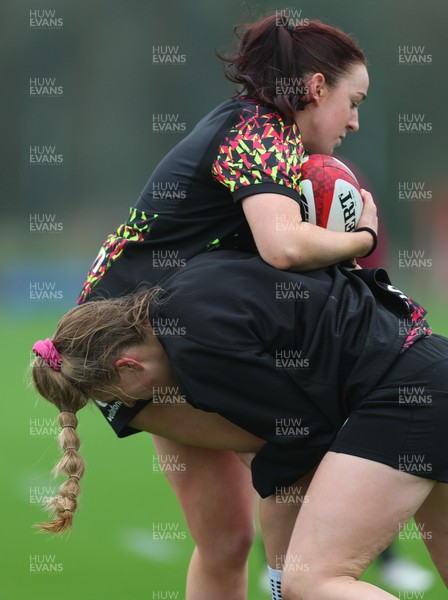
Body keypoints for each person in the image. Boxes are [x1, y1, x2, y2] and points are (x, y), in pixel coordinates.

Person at [71, 13, 377, 599]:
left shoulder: (254, 126)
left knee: (227, 541)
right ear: (315, 89)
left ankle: (297, 582)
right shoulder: (259, 129)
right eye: (353, 101)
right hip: (135, 343)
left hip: (147, 338)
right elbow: (283, 247)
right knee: (302, 444)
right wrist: (361, 238)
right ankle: (302, 588)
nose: (356, 121)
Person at [31, 251, 448, 599]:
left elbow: (301, 435)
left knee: (312, 581)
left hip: (403, 392)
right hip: (429, 361)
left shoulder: (194, 355)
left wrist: (280, 553)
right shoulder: (186, 284)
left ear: (128, 366)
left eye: (121, 398)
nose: (143, 407)